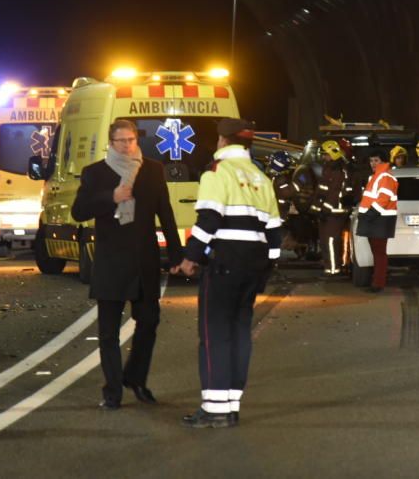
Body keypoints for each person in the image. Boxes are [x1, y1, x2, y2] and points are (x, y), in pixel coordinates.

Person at [174, 118, 282, 428]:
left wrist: (191, 257)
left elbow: (209, 218)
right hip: (254, 265)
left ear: (223, 141)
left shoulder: (218, 171)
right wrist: (268, 267)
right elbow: (274, 230)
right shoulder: (260, 177)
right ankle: (231, 405)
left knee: (214, 334)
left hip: (224, 263)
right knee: (238, 333)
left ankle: (214, 408)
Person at [71, 119, 183, 410]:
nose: (127, 146)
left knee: (149, 322)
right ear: (111, 143)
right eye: (121, 141)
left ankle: (136, 377)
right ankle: (113, 390)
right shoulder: (95, 172)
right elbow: (79, 211)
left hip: (143, 260)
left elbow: (166, 215)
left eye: (131, 140)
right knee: (108, 331)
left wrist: (178, 256)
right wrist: (111, 197)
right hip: (111, 261)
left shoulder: (153, 170)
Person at [355, 149, 398, 293]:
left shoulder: (384, 176)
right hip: (377, 219)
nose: (373, 163)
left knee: (379, 254)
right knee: (377, 253)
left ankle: (378, 283)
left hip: (379, 220)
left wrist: (369, 214)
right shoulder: (377, 176)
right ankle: (377, 281)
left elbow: (383, 199)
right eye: (371, 160)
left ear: (384, 162)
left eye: (376, 160)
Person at [312, 141, 354, 275]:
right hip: (328, 212)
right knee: (325, 241)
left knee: (330, 241)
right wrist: (316, 209)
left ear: (333, 154)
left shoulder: (338, 171)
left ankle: (334, 271)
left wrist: (323, 209)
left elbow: (334, 194)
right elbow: (322, 191)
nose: (324, 157)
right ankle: (329, 268)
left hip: (335, 213)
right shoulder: (329, 168)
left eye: (326, 155)